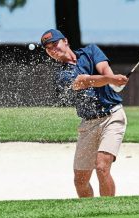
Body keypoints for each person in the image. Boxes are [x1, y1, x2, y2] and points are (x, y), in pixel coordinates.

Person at [40, 29, 129, 197]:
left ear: (65, 41)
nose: (52, 49)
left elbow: (105, 71)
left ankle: (108, 214)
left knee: (102, 167)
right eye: (48, 48)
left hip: (112, 116)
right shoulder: (61, 75)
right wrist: (111, 80)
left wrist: (115, 82)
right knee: (80, 180)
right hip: (88, 124)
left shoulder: (91, 51)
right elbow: (84, 81)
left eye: (55, 44)